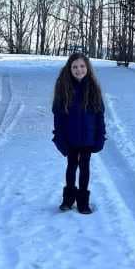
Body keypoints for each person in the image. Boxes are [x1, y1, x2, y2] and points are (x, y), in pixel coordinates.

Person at [52, 52, 106, 214]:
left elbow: (99, 116)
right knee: (71, 166)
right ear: (69, 69)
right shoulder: (63, 89)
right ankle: (68, 200)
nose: (79, 70)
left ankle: (83, 202)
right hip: (70, 139)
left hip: (88, 139)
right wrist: (59, 139)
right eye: (75, 67)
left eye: (82, 66)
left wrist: (100, 137)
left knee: (84, 168)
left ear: (88, 68)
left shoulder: (94, 89)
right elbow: (58, 117)